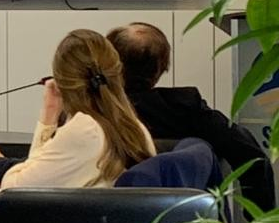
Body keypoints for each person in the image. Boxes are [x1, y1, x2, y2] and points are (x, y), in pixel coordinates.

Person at [107, 23, 275, 213]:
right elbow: (250, 155)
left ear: (107, 64)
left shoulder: (89, 114)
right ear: (161, 68)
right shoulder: (184, 108)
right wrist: (259, 222)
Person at [0, 29, 154, 188]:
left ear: (61, 80)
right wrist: (50, 111)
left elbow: (20, 188)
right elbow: (38, 172)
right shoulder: (135, 127)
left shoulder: (83, 129)